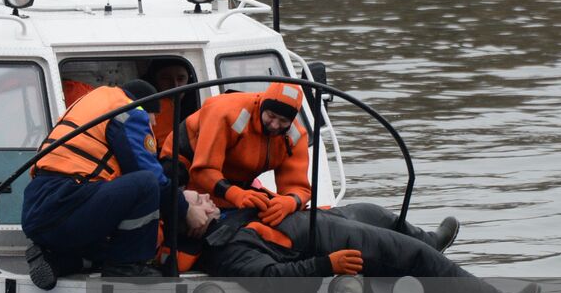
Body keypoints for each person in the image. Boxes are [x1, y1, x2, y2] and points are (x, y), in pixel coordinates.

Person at [163, 80, 459, 250]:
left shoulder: (293, 134)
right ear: (260, 107)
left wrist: (289, 203)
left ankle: (422, 241)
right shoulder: (225, 113)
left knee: (359, 215)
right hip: (187, 176)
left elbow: (299, 187)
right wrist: (235, 196)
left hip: (235, 188)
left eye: (283, 121)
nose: (275, 125)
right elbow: (202, 172)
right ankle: (419, 247)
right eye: (271, 117)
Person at [194, 206, 540, 293]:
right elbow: (272, 283)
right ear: (193, 224)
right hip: (325, 242)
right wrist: (325, 265)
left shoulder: (225, 221)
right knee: (416, 259)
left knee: (371, 212)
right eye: (198, 201)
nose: (206, 199)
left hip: (318, 220)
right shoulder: (227, 249)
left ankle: (430, 242)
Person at [22, 80, 211, 290]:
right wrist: (185, 211)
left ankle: (55, 260)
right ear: (146, 107)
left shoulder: (95, 102)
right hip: (67, 204)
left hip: (41, 210)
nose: (155, 124)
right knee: (146, 183)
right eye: (154, 117)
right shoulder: (130, 111)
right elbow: (149, 174)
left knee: (113, 244)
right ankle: (126, 267)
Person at [144, 58, 193, 146]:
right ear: (155, 81)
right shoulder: (147, 110)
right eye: (166, 78)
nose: (175, 85)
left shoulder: (200, 101)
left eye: (181, 78)